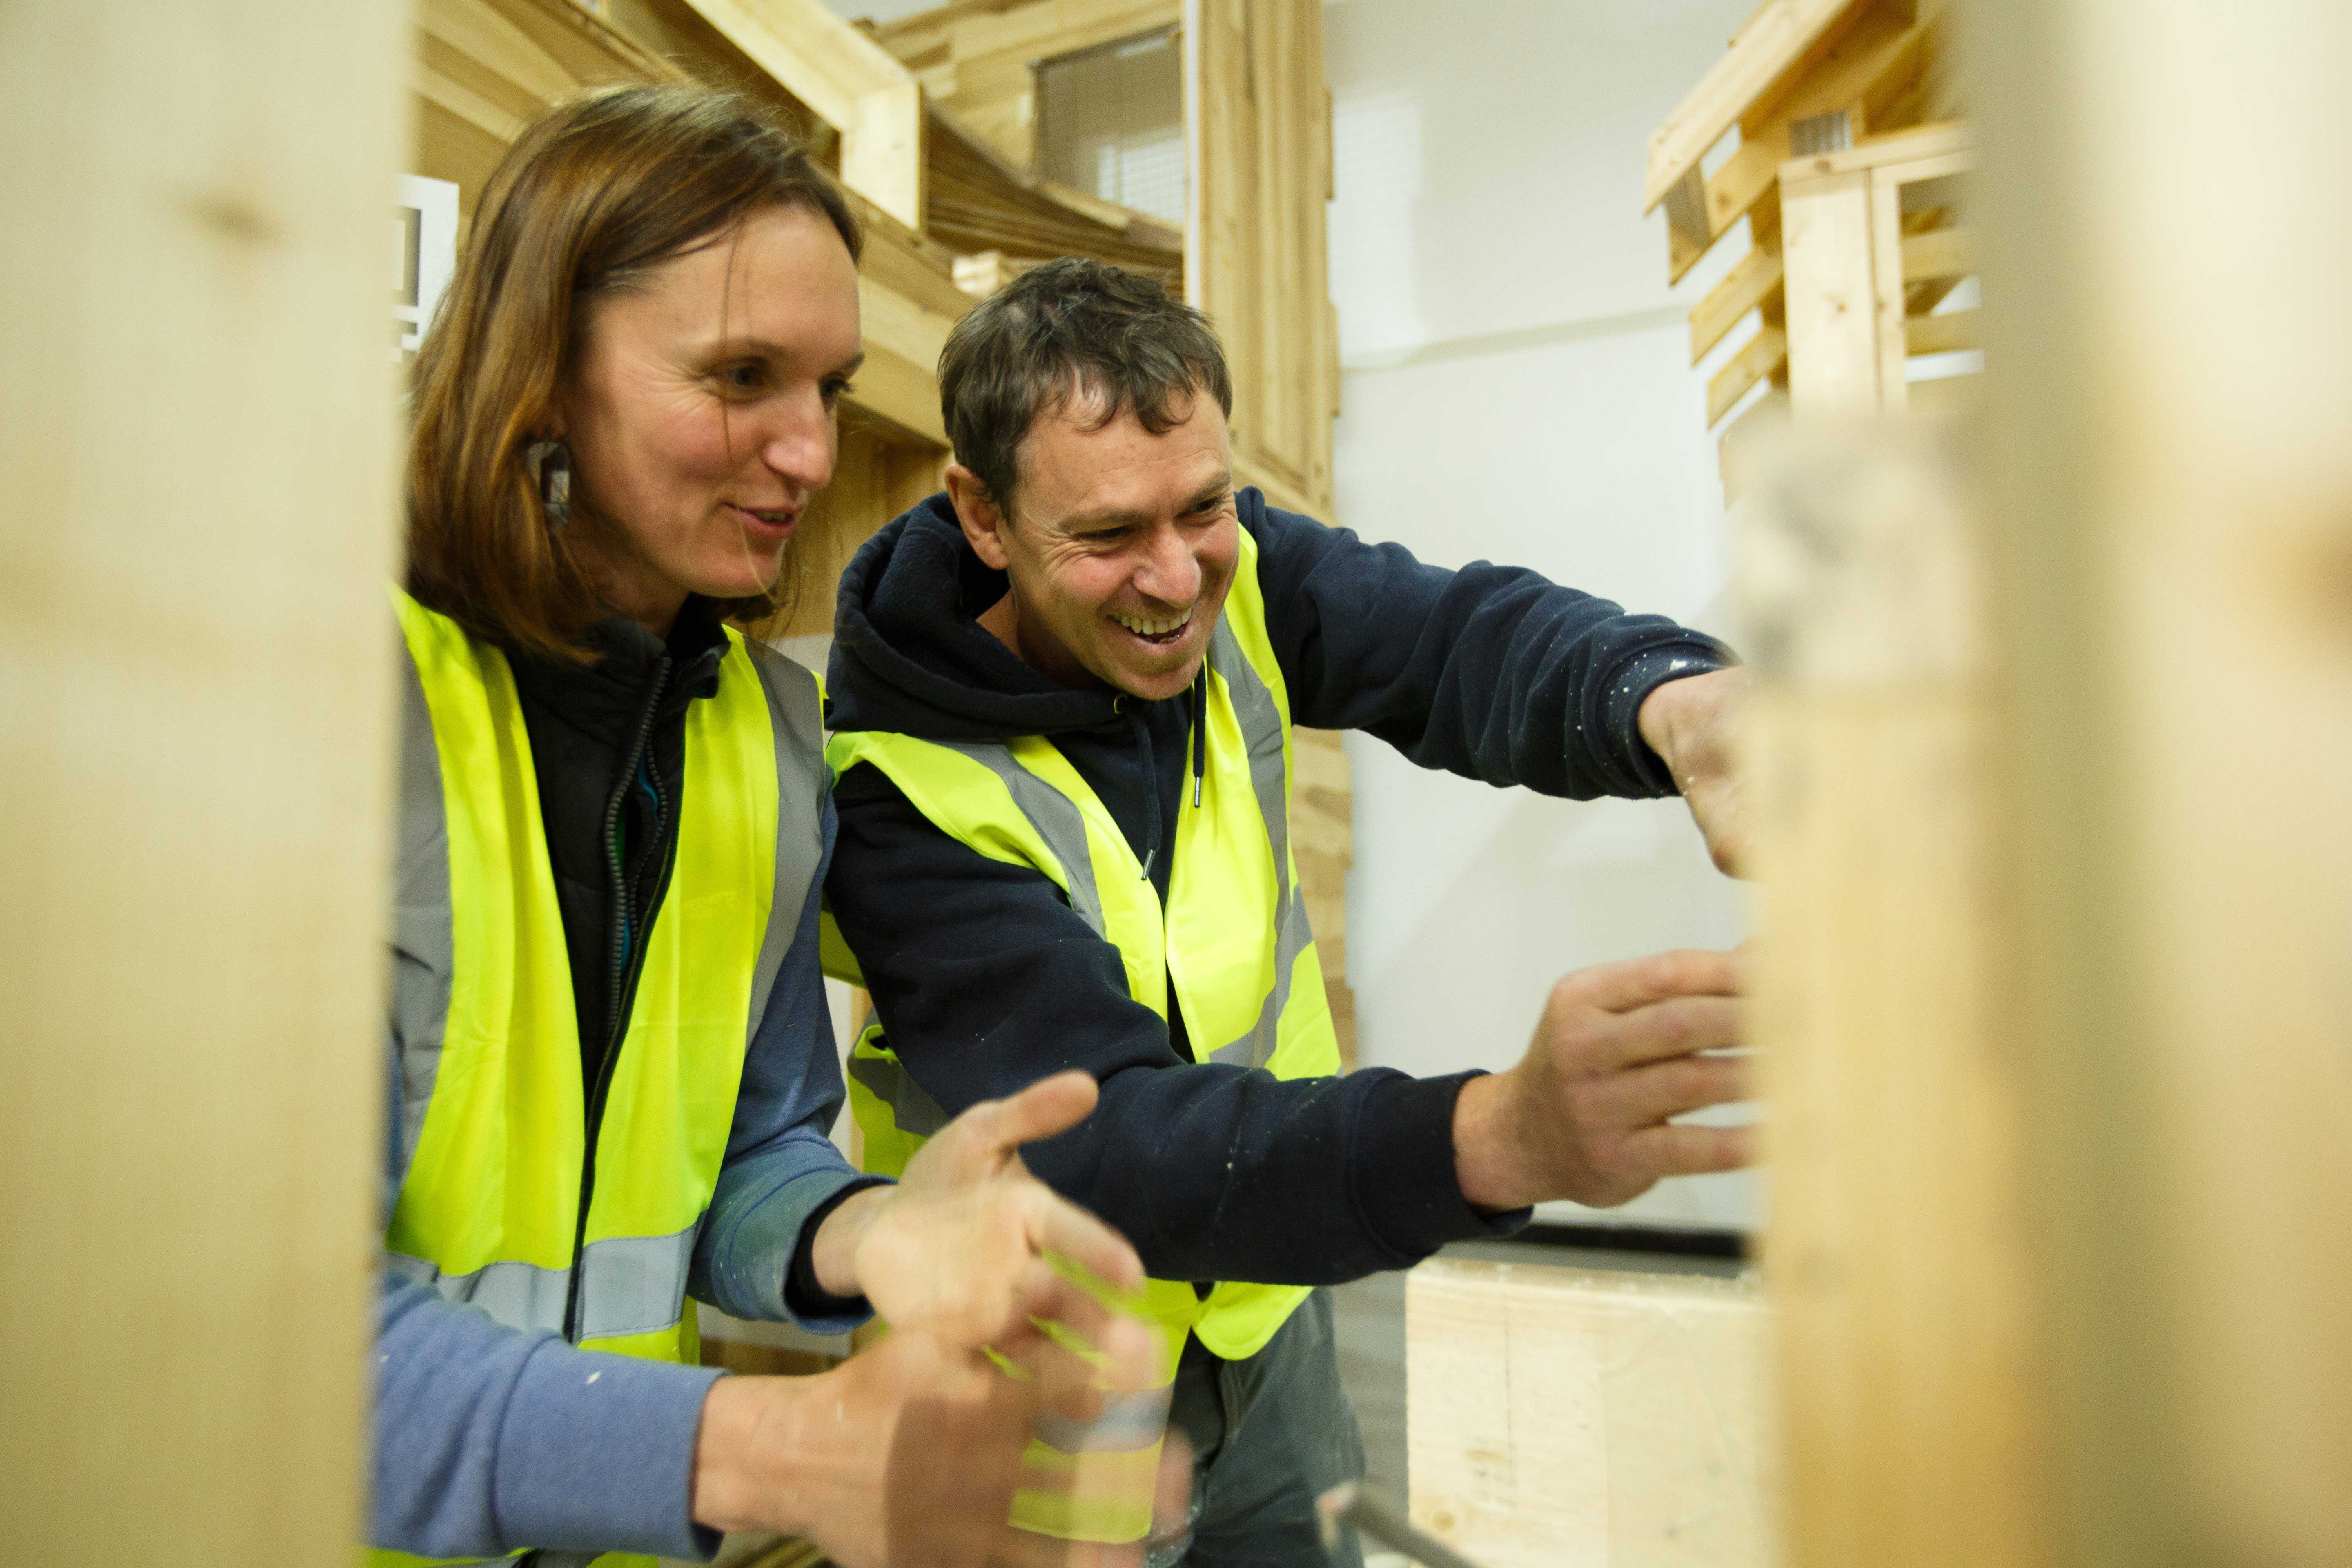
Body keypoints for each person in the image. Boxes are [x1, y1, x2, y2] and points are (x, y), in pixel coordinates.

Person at [821, 258, 1755, 1566]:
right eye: (1105, 537)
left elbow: (1456, 641)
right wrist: (1498, 1133)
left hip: (1266, 1324)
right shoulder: (891, 787)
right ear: (982, 515)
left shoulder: (1239, 567)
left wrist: (1673, 703)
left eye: (1200, 507)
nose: (1175, 578)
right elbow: (1110, 1136)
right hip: (1034, 1374)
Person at [378, 89, 1165, 1568]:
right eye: (743, 376)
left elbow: (748, 1157)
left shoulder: (758, 737)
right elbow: (253, 1329)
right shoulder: (333, 702)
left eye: (827, 385)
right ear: (540, 369)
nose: (809, 453)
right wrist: (769, 1449)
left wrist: (868, 1235)